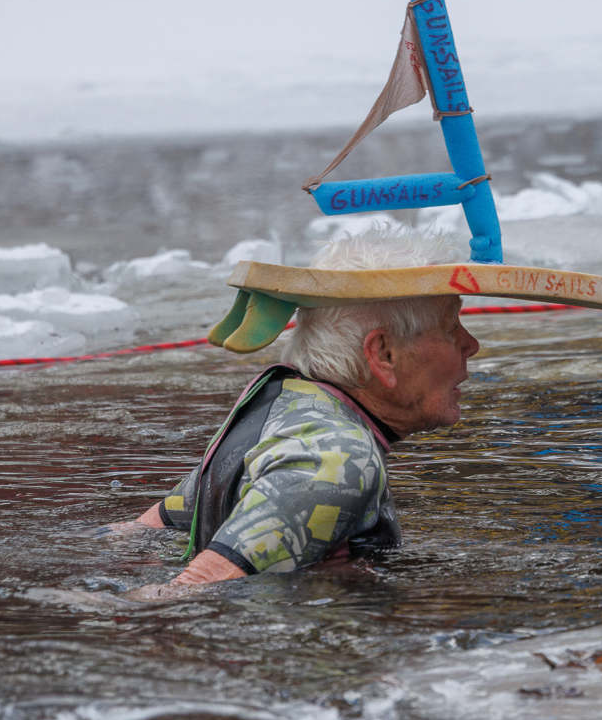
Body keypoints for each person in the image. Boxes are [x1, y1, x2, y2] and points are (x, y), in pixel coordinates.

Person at [113, 227, 479, 598]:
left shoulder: (281, 404)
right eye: (451, 328)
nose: (471, 344)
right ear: (383, 354)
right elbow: (187, 593)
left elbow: (142, 531)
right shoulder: (334, 458)